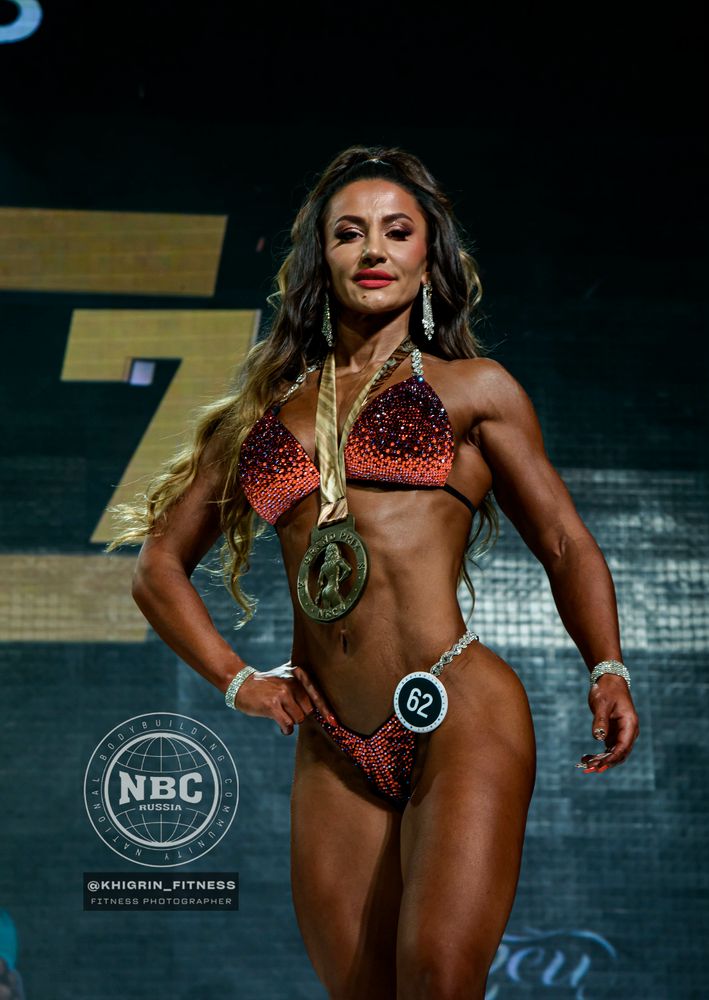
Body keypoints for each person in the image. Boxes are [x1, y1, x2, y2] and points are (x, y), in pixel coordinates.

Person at [110, 146, 640, 999]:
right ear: (321, 258)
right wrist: (237, 681)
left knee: (436, 980)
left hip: (458, 709)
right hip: (332, 742)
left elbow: (564, 542)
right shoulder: (263, 412)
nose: (372, 251)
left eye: (397, 232)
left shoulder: (476, 389)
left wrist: (606, 666)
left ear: (429, 257)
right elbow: (157, 567)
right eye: (348, 233)